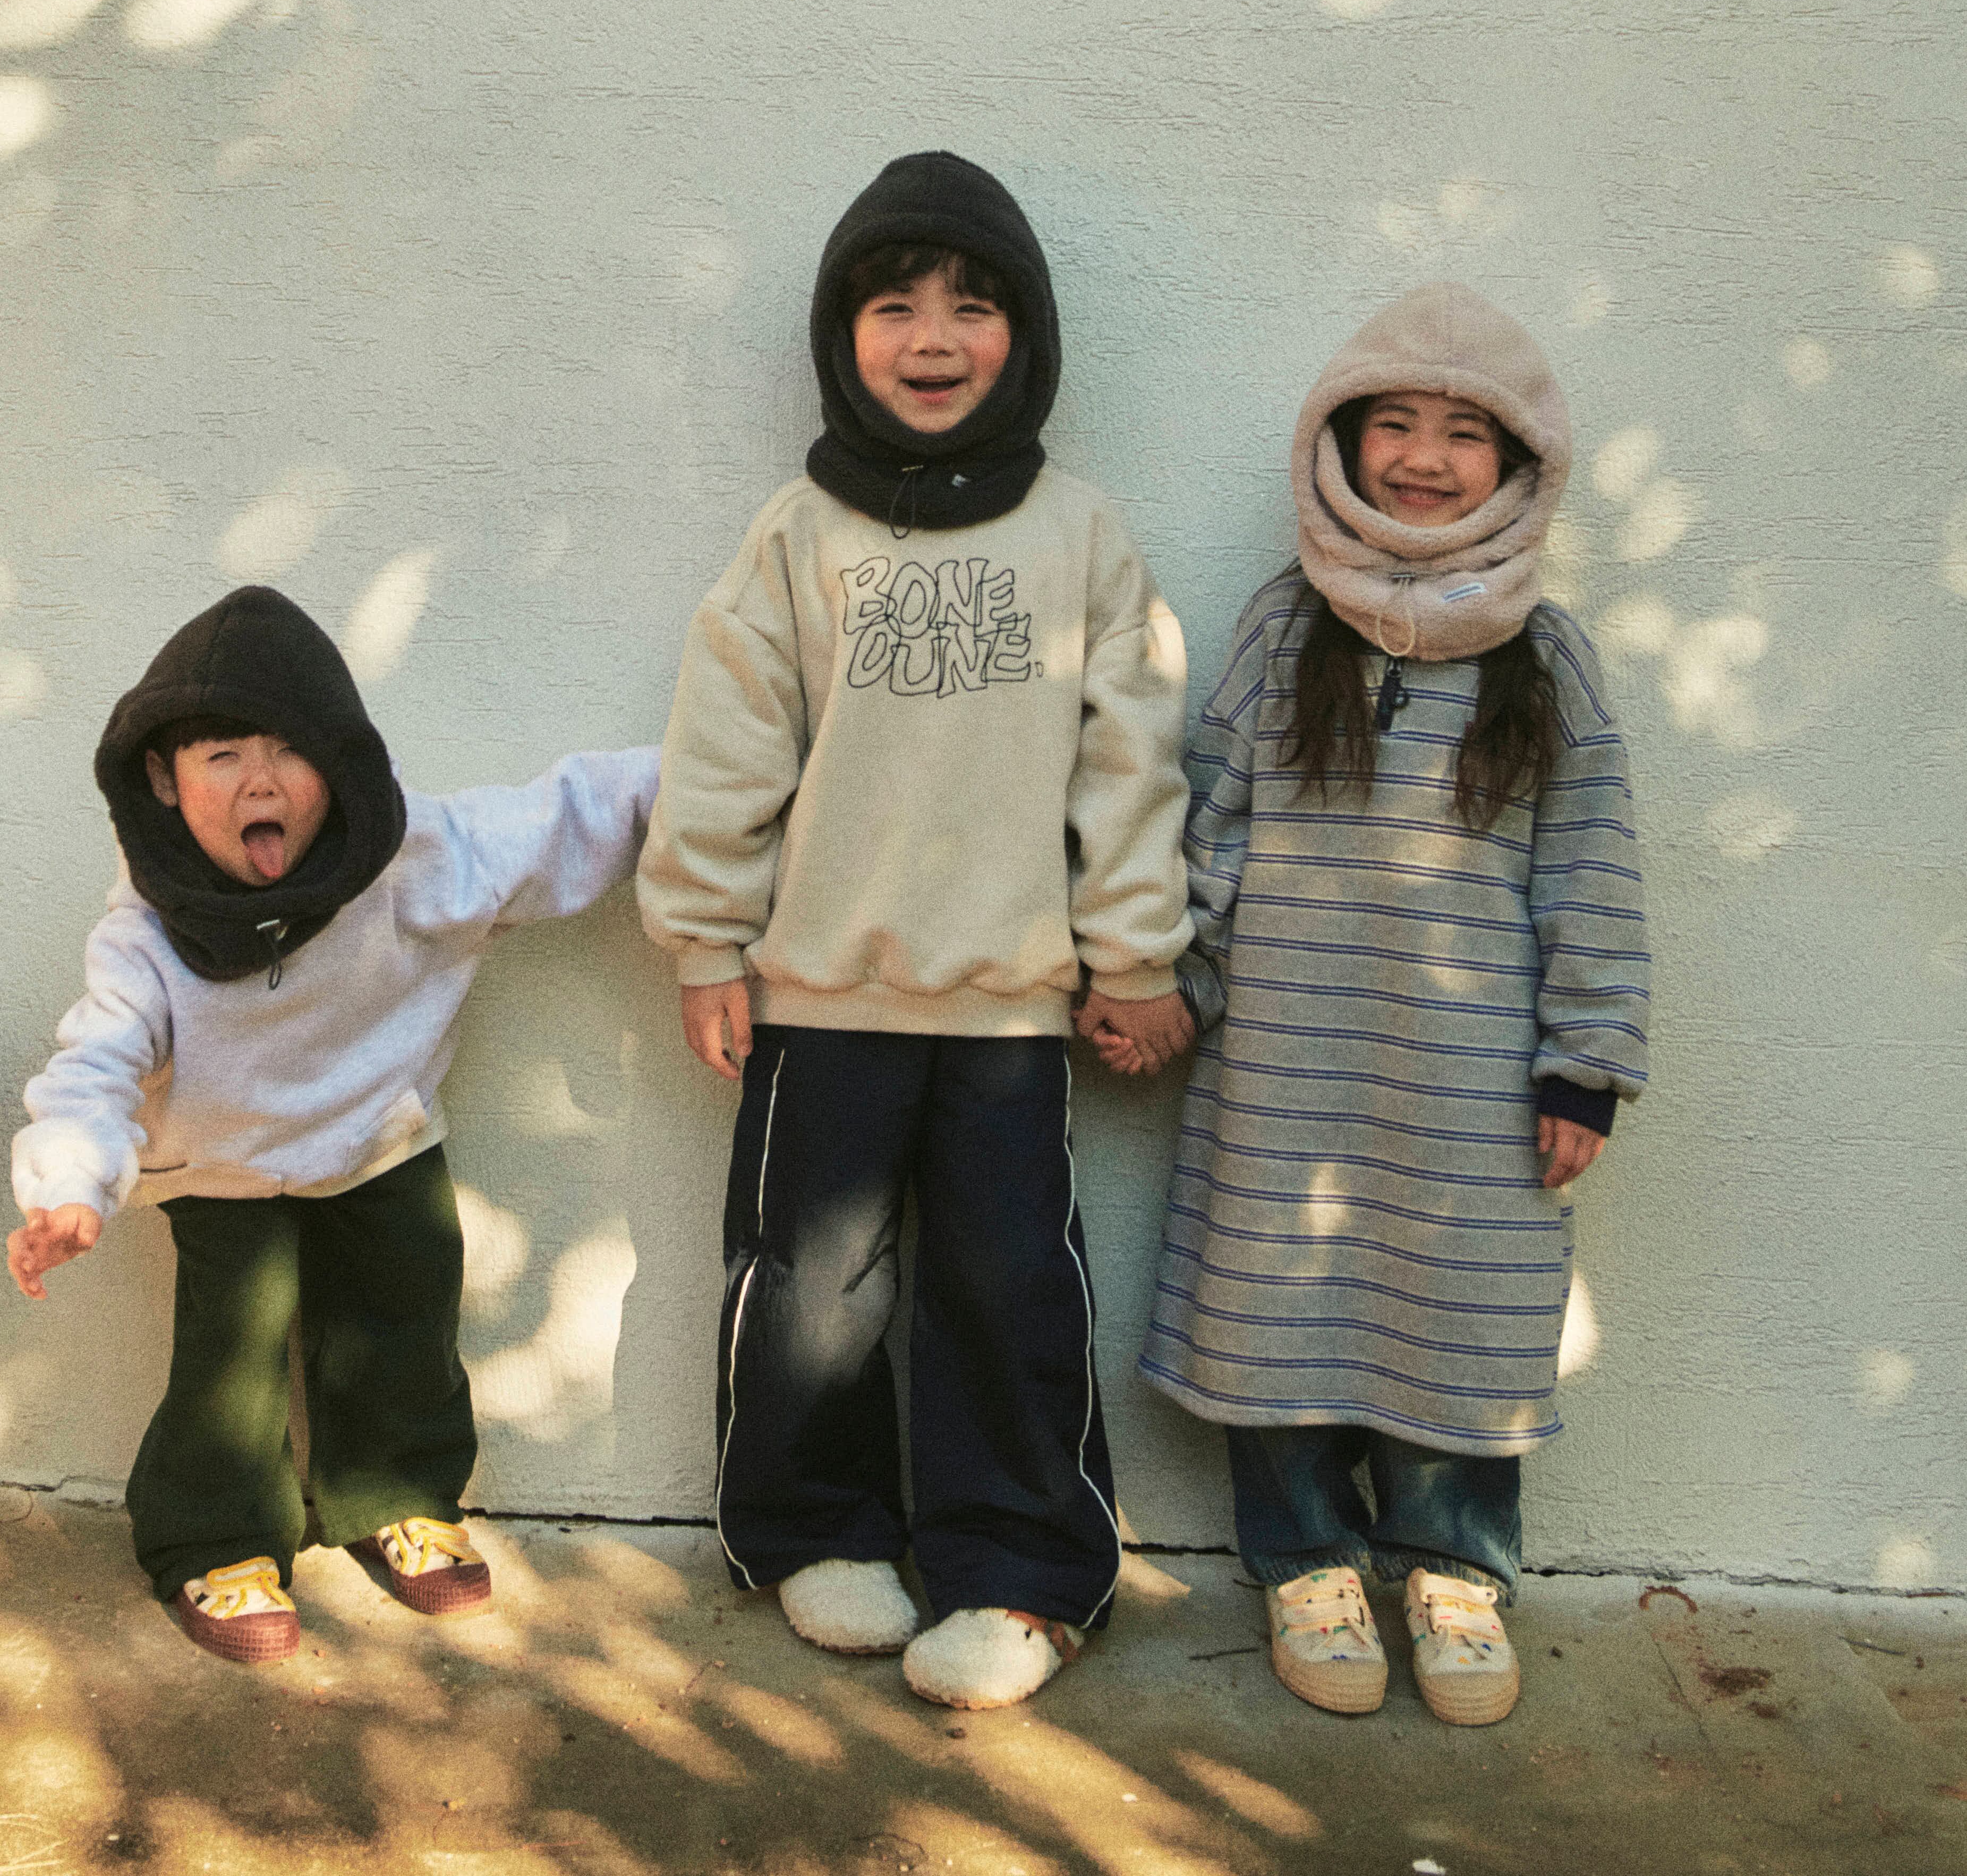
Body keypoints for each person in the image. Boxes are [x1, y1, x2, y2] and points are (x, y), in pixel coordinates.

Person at [638, 150, 1194, 1712]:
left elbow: (1130, 760)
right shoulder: (797, 536)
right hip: (820, 999)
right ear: (842, 336)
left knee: (1010, 1294)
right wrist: (705, 937)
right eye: (893, 305)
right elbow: (727, 745)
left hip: (1013, 1011)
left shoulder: (1080, 535)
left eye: (971, 305)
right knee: (810, 1293)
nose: (933, 337)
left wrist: (1136, 952)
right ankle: (812, 1527)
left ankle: (1022, 1570)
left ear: (1029, 337)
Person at [1124, 284, 1647, 1728]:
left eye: (1464, 432)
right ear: (1338, 442)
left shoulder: (1546, 656)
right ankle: (1307, 1562)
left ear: (1520, 462)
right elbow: (1212, 826)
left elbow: (1592, 865)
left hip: (1469, 1082)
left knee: (1456, 1308)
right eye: (1394, 422)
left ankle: (1454, 1567)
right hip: (1283, 1065)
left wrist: (1584, 1061)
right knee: (1279, 1303)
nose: (1423, 457)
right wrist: (1172, 985)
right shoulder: (1284, 628)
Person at [7, 582, 657, 1663]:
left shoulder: (411, 857)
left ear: (340, 763)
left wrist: (719, 779)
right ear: (164, 780)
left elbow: (564, 817)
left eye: (289, 750)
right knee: (231, 1353)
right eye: (221, 755)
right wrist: (71, 1183)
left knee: (405, 1308)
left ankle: (396, 1495)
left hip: (375, 1137)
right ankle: (215, 1535)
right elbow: (96, 1063)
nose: (259, 779)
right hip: (223, 1162)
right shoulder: (147, 931)